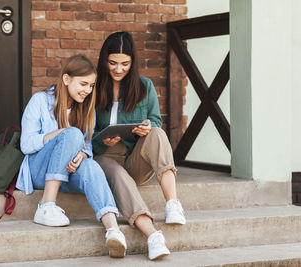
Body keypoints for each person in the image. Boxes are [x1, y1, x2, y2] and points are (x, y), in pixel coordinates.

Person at [16, 55, 127, 258]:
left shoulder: (86, 108)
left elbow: (87, 148)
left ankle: (113, 230)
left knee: (92, 166)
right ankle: (46, 206)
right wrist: (61, 135)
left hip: (66, 172)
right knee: (72, 133)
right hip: (38, 170)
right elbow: (26, 145)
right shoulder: (40, 101)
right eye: (83, 84)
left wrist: (81, 155)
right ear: (66, 79)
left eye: (91, 85)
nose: (87, 90)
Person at [93, 32, 186, 260]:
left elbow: (155, 119)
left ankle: (172, 203)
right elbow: (83, 132)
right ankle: (153, 236)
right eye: (113, 63)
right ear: (105, 60)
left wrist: (146, 126)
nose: (118, 69)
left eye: (125, 64)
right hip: (105, 156)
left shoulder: (144, 86)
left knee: (157, 132)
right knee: (116, 173)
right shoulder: (93, 87)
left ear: (132, 62)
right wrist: (100, 139)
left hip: (134, 157)